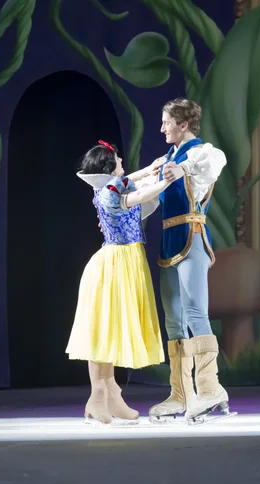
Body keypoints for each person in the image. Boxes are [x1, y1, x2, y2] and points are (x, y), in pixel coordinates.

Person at [66, 140, 180, 426]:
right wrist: (164, 181)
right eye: (117, 160)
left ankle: (112, 394)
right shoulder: (107, 193)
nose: (121, 163)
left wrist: (151, 169)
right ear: (108, 168)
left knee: (114, 329)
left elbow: (129, 180)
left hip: (127, 262)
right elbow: (137, 194)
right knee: (103, 330)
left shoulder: (115, 186)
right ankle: (98, 396)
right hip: (113, 265)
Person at [149, 98, 236, 425]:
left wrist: (183, 168)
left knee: (196, 311)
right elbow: (147, 194)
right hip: (169, 239)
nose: (162, 128)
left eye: (166, 122)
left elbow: (216, 159)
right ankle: (181, 393)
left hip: (191, 236)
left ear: (183, 124)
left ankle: (211, 388)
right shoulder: (165, 159)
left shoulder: (201, 152)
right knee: (173, 319)